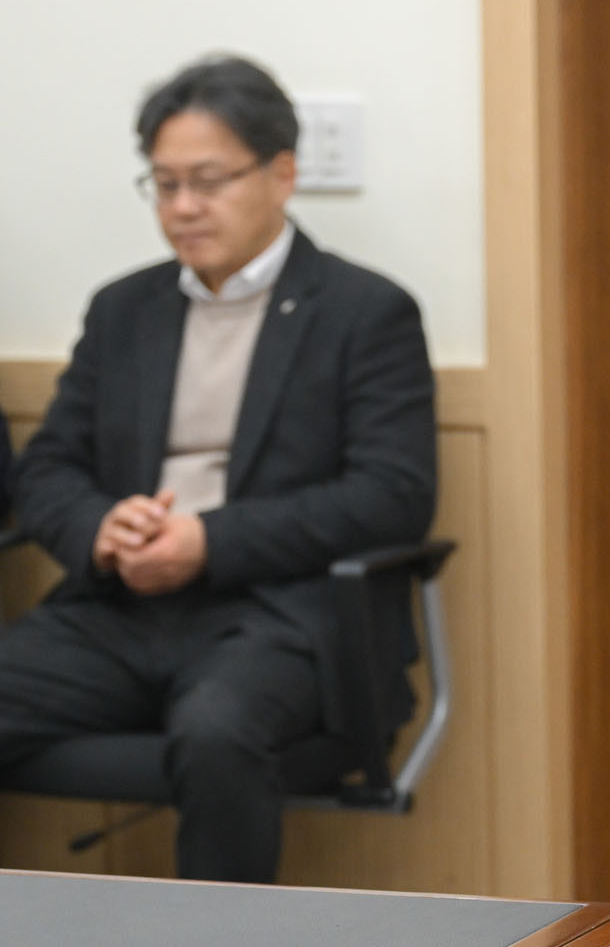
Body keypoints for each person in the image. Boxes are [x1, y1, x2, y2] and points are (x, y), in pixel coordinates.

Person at [0, 55, 436, 883]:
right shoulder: (124, 309)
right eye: (164, 185)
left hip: (279, 616)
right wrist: (101, 528)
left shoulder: (365, 312)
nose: (183, 208)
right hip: (118, 610)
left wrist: (209, 541)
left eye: (207, 181)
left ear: (281, 175)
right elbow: (48, 465)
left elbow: (392, 497)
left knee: (218, 732)